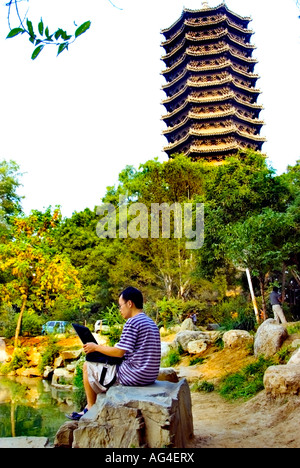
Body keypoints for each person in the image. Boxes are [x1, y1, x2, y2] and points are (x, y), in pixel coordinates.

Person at [68, 287, 161, 420]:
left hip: (135, 375)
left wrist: (96, 348)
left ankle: (89, 408)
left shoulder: (132, 322)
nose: (120, 309)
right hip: (149, 375)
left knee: (87, 365)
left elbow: (118, 353)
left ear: (130, 303)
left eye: (120, 305)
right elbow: (125, 350)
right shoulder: (150, 322)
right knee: (101, 359)